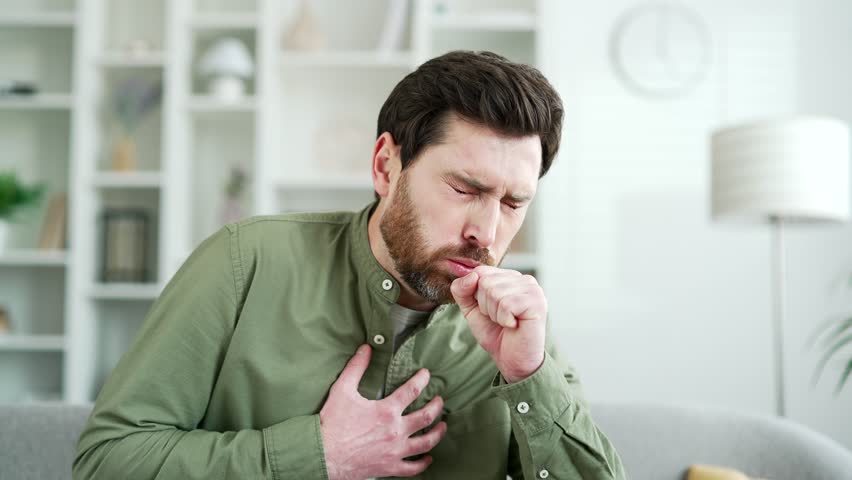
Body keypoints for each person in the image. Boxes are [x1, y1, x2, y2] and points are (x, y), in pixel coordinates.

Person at [73, 50, 626, 480]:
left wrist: (531, 376)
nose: (486, 232)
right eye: (464, 188)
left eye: (512, 204)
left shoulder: (518, 324)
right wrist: (315, 456)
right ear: (387, 166)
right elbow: (107, 461)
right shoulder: (245, 262)